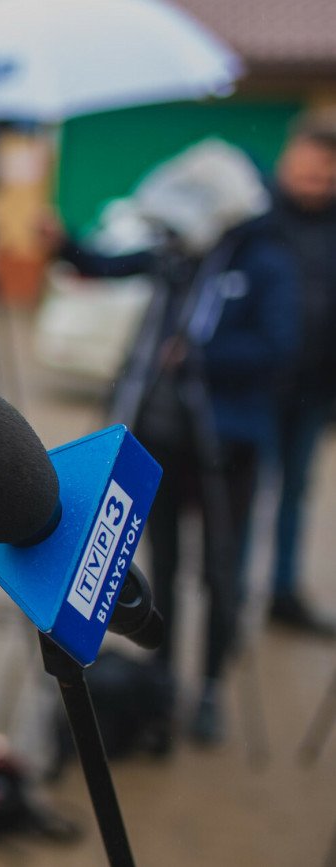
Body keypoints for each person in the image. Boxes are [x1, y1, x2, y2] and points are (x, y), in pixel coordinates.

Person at [43, 139, 299, 743]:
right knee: (163, 566)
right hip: (155, 442)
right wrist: (64, 244)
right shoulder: (178, 255)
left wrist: (202, 356)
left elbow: (279, 347)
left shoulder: (264, 262)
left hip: (226, 443)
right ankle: (160, 679)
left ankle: (209, 685)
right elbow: (111, 265)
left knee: (219, 570)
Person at [266, 113, 336, 636]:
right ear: (289, 161)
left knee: (296, 492)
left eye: (327, 177)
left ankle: (283, 592)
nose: (316, 183)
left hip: (314, 391)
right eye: (309, 172)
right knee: (243, 498)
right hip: (257, 392)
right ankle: (229, 597)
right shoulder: (255, 218)